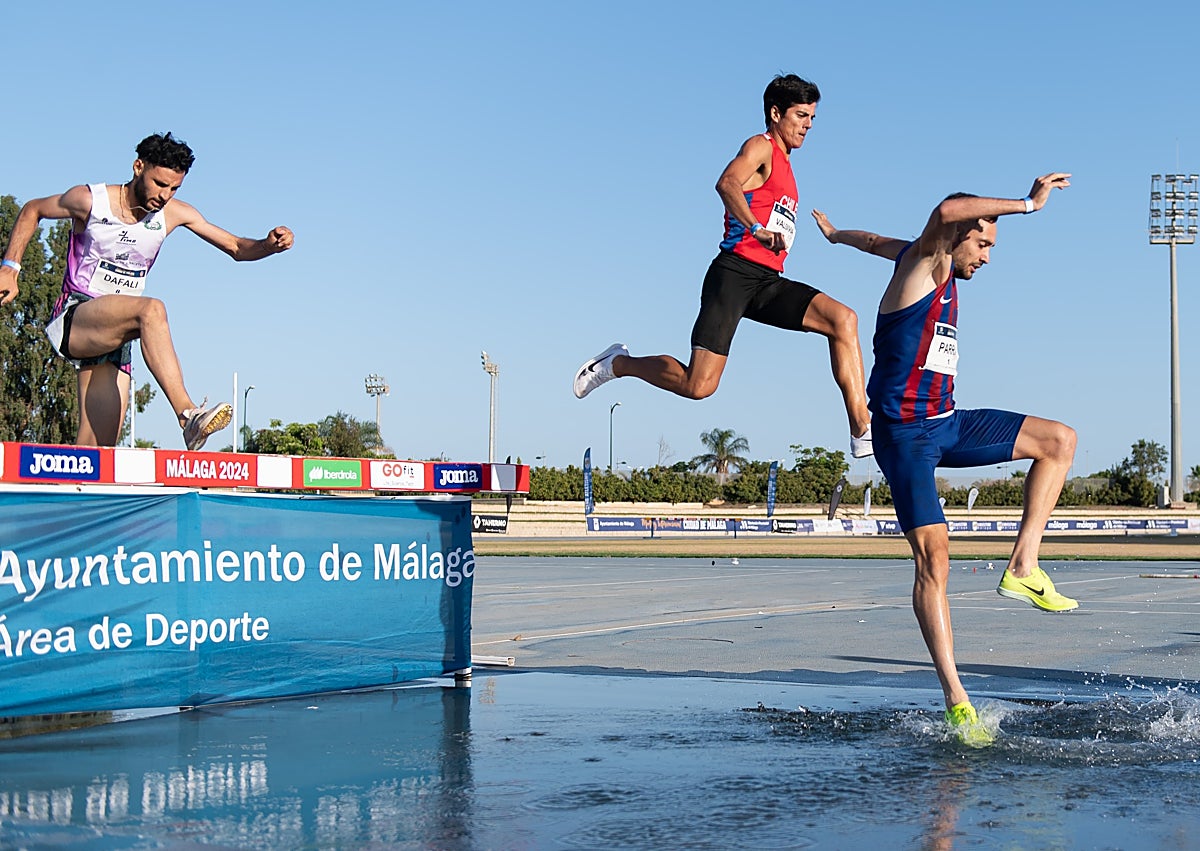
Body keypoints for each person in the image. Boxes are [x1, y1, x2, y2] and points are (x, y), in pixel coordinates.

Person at [812, 172, 1077, 745]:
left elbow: (875, 241)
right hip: (904, 436)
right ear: (954, 236)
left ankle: (1023, 568)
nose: (986, 257)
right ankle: (958, 701)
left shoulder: (917, 257)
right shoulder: (923, 266)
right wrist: (1028, 204)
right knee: (936, 557)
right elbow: (948, 206)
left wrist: (837, 236)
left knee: (1059, 440)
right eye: (982, 244)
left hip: (947, 422)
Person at [572, 74, 873, 458]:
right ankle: (619, 363)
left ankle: (861, 429)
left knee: (843, 319)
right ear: (775, 113)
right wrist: (756, 228)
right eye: (801, 115)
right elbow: (727, 183)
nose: (808, 125)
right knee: (698, 386)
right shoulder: (760, 147)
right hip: (733, 274)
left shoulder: (787, 165)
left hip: (767, 281)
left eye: (812, 117)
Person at [0, 132, 293, 450]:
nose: (165, 195)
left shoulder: (173, 213)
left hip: (118, 333)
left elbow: (236, 247)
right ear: (138, 166)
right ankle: (188, 416)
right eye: (159, 183)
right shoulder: (91, 200)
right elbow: (32, 210)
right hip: (76, 316)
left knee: (95, 457)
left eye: (174, 188)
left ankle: (70, 497)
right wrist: (10, 268)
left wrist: (268, 245)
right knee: (151, 310)